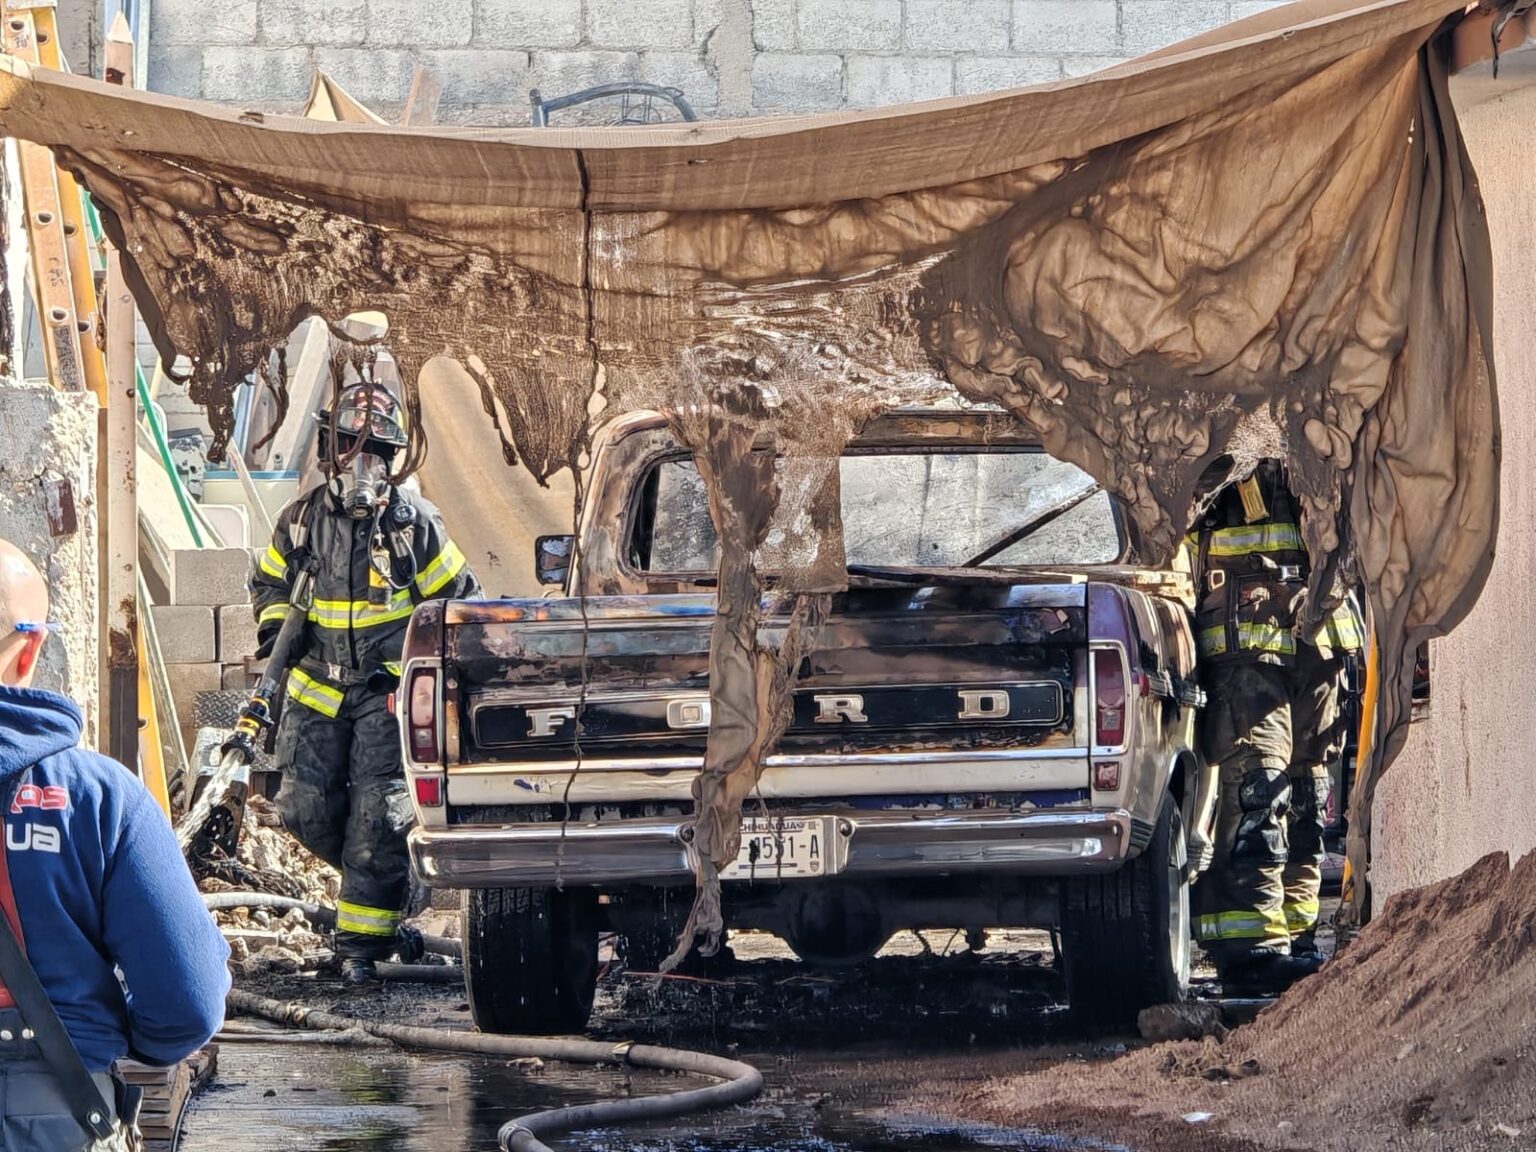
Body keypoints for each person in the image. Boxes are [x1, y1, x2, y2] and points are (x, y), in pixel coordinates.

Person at [0, 538, 229, 1150]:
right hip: (51, 1109)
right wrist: (110, 1038)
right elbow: (187, 1001)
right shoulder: (98, 795)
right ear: (31, 651)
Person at [250, 374, 480, 984]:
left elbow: (459, 603)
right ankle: (394, 888)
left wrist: (423, 678)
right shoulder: (299, 523)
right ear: (328, 445)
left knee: (378, 820)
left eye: (376, 453)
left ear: (394, 462)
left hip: (387, 698)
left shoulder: (415, 527)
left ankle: (360, 951)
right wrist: (278, 634)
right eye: (350, 444)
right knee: (302, 810)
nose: (362, 464)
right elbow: (270, 586)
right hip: (316, 694)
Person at [1186, 459, 1364, 995]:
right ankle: (1252, 947)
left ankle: (1297, 937)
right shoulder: (1222, 426)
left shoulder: (1315, 417)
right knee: (1257, 794)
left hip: (1320, 643)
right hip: (1246, 646)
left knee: (1310, 798)